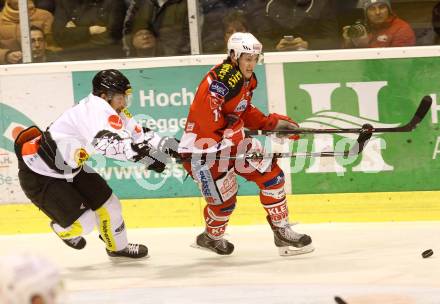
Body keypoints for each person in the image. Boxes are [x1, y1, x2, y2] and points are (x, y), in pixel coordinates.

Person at [14, 69, 179, 259]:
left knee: (110, 205)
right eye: (120, 98)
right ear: (104, 95)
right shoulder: (95, 111)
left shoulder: (112, 109)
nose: (124, 103)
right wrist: (146, 157)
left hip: (69, 167)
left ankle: (118, 248)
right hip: (40, 174)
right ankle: (62, 229)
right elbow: (106, 144)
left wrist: (174, 147)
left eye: (126, 97)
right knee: (84, 224)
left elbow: (140, 134)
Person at [178, 32, 313, 256]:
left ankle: (282, 230)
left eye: (255, 58)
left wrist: (272, 123)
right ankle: (211, 237)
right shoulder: (221, 81)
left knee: (272, 176)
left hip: (231, 143)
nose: (252, 64)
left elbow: (243, 109)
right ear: (234, 55)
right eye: (247, 58)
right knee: (224, 204)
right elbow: (204, 117)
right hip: (203, 151)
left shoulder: (246, 79)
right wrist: (226, 131)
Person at [252, 0, 340, 51]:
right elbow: (258, 42)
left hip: (314, 58)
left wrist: (308, 45)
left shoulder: (322, 5)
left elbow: (334, 41)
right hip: (277, 60)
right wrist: (275, 46)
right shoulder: (267, 6)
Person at [52, 0, 126, 61]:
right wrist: (91, 30)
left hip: (106, 55)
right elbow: (59, 36)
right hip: (71, 56)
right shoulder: (65, 2)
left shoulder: (114, 2)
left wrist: (74, 31)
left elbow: (111, 36)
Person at [342, 0, 415, 48]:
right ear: (366, 13)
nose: (377, 12)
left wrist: (364, 45)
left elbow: (398, 63)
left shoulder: (401, 28)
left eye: (382, 7)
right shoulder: (362, 27)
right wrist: (348, 44)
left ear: (389, 10)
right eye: (372, 9)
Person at [0, 0, 54, 64]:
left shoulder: (45, 16)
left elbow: (53, 46)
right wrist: (6, 56)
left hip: (42, 65)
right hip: (9, 68)